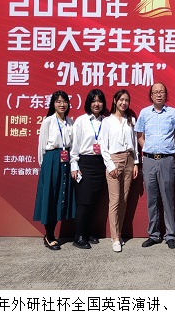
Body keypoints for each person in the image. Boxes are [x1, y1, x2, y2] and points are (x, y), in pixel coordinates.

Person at [134, 82, 175, 249]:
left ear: (165, 95)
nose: (158, 94)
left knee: (168, 198)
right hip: (149, 160)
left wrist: (169, 151)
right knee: (152, 199)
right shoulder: (144, 113)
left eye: (161, 92)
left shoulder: (173, 113)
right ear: (151, 95)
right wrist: (148, 150)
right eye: (155, 92)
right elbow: (140, 136)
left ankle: (170, 235)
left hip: (166, 160)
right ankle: (154, 234)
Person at [33, 90, 75, 250]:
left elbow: (72, 144)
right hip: (51, 160)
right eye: (58, 101)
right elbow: (42, 147)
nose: (62, 104)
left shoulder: (70, 122)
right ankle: (49, 235)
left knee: (61, 197)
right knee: (50, 196)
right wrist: (45, 167)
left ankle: (52, 233)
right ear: (53, 104)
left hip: (66, 160)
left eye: (64, 101)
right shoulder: (48, 121)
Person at [99, 89, 140, 253]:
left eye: (127, 100)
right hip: (114, 160)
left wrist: (136, 162)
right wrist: (110, 166)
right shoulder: (107, 121)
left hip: (129, 159)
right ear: (115, 101)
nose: (124, 103)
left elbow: (135, 143)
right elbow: (103, 146)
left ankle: (119, 233)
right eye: (121, 99)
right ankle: (115, 237)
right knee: (115, 200)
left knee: (124, 200)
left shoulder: (131, 120)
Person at [69, 89, 108, 249]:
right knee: (84, 201)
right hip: (85, 163)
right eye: (93, 101)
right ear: (88, 103)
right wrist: (74, 165)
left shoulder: (106, 121)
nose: (96, 104)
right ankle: (78, 236)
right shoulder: (81, 121)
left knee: (94, 202)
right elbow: (74, 145)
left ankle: (88, 232)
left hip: (101, 163)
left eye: (99, 101)